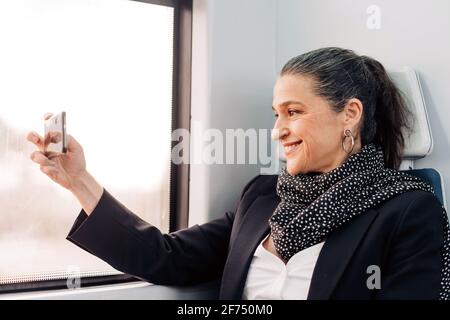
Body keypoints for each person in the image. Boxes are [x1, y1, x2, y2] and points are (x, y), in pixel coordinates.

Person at [27, 47, 450, 300]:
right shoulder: (261, 198)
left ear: (350, 115)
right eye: (276, 114)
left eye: (294, 112)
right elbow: (165, 258)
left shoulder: (408, 209)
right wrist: (78, 180)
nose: (278, 129)